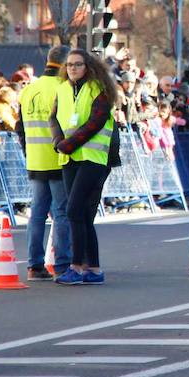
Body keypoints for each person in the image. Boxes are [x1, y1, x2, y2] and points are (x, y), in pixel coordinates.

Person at [51, 49, 120, 285]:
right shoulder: (62, 89)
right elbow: (54, 118)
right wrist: (58, 142)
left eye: (78, 65)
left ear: (87, 67)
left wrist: (68, 144)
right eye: (69, 65)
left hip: (93, 158)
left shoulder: (98, 90)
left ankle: (76, 267)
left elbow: (95, 122)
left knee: (73, 210)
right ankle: (94, 269)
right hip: (70, 157)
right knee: (83, 215)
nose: (72, 68)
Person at [16, 45, 73, 280]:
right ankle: (62, 264)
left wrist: (28, 150)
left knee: (37, 213)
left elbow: (19, 126)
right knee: (61, 213)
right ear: (66, 63)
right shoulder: (64, 88)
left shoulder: (29, 89)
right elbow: (70, 126)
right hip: (58, 158)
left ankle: (34, 265)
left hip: (36, 159)